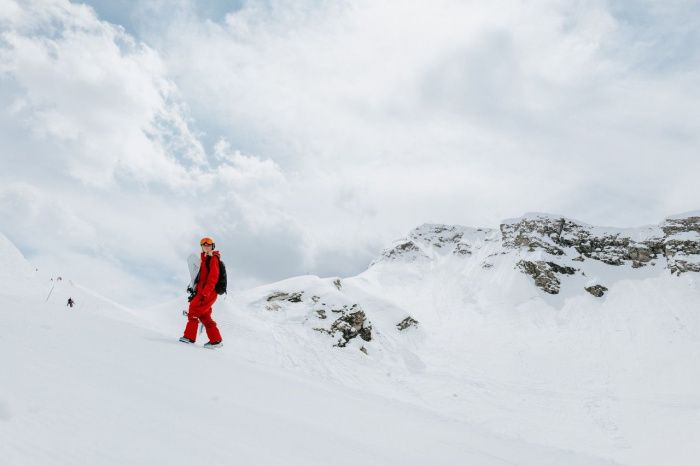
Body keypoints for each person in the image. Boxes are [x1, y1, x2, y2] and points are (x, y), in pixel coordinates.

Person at [179, 237, 223, 348]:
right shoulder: (204, 259)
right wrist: (193, 287)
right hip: (203, 291)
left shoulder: (213, 259)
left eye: (208, 245)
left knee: (193, 310)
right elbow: (199, 277)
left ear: (212, 246)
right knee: (205, 316)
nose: (206, 246)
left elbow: (213, 278)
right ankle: (216, 340)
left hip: (207, 292)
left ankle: (189, 337)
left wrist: (205, 293)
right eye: (204, 245)